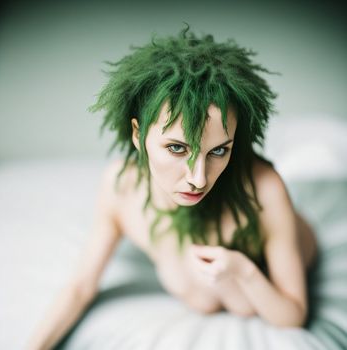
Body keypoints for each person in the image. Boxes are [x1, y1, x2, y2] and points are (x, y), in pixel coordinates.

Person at [26, 27, 317, 349]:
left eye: (219, 150)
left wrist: (244, 271)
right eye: (177, 148)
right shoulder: (121, 186)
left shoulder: (263, 188)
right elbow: (80, 286)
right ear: (138, 135)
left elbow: (294, 314)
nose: (199, 178)